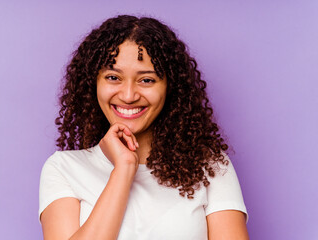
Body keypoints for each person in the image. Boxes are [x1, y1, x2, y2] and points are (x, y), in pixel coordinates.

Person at [39, 15, 249, 240]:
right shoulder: (63, 168)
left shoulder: (211, 167)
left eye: (146, 80)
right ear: (94, 84)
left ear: (170, 88)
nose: (128, 96)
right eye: (113, 77)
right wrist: (124, 169)